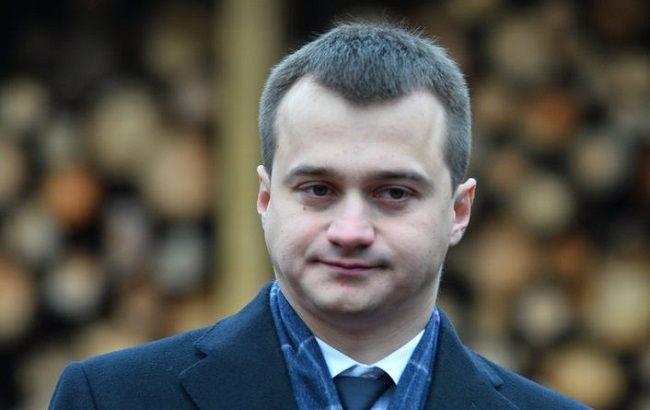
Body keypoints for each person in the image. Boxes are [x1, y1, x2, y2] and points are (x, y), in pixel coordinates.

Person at [50, 23, 587, 410]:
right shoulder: (111, 398)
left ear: (458, 210)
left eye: (393, 193)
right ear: (266, 199)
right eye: (318, 189)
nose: (350, 232)